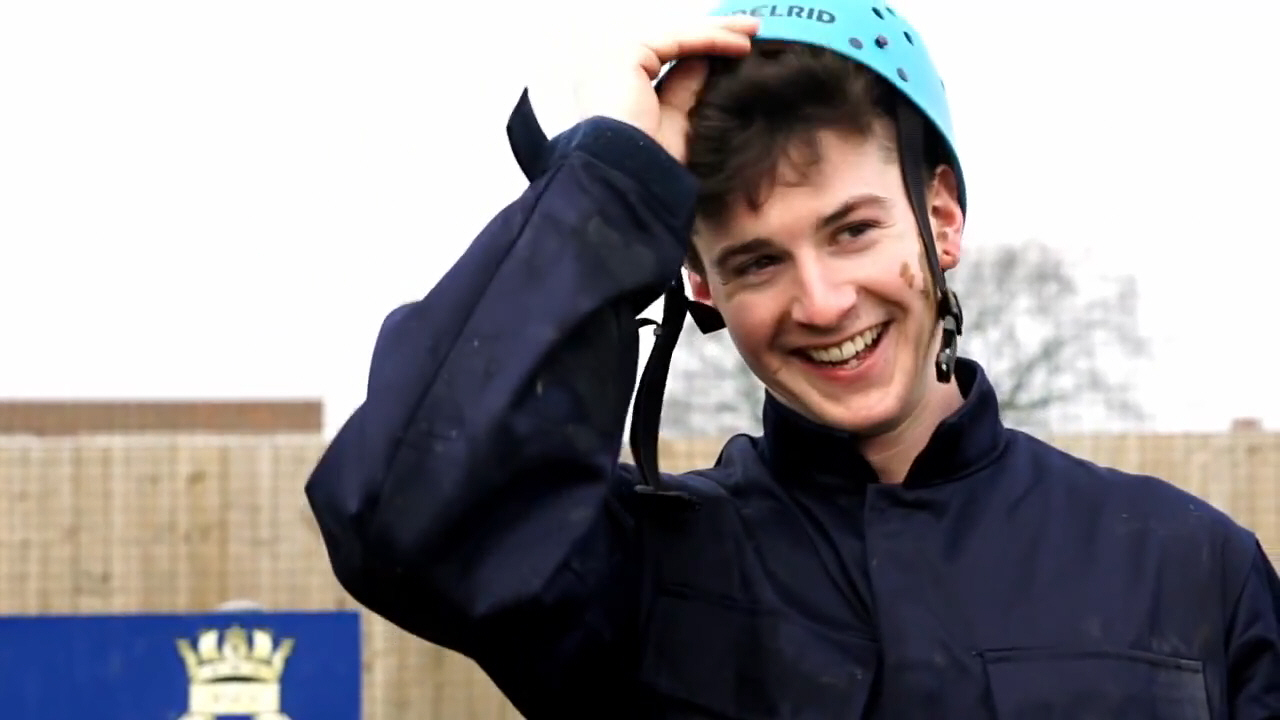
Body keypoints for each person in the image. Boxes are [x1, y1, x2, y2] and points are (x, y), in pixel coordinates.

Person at [305, 2, 1280, 717]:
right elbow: (405, 519)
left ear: (940, 220)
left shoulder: (1191, 571)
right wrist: (607, 183)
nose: (821, 303)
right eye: (757, 262)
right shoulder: (638, 579)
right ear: (700, 286)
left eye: (852, 231)